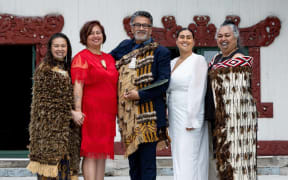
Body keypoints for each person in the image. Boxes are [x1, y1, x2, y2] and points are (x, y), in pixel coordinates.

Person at [110, 10, 171, 180]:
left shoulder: (161, 52)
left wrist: (140, 94)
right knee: (134, 165)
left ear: (151, 29)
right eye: (138, 24)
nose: (141, 28)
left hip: (148, 117)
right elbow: (107, 63)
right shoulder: (124, 47)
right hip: (127, 117)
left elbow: (164, 82)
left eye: (145, 25)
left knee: (147, 165)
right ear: (131, 27)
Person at [206, 20, 257, 180]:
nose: (223, 39)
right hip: (217, 118)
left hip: (235, 120)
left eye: (227, 35)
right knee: (220, 160)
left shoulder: (239, 57)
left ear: (236, 38)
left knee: (236, 160)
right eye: (220, 36)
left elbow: (237, 89)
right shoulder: (216, 58)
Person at [27, 32, 81, 180]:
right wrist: (72, 113)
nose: (60, 49)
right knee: (50, 174)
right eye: (56, 46)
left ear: (67, 48)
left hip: (68, 135)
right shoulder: (44, 71)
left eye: (63, 46)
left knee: (67, 173)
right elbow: (47, 105)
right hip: (48, 134)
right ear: (50, 48)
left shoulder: (69, 69)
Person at [71, 21, 118, 180]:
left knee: (101, 153)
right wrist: (77, 110)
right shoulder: (81, 57)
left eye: (99, 32)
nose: (96, 36)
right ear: (85, 37)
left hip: (108, 113)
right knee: (90, 152)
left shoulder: (109, 58)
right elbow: (78, 85)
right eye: (92, 33)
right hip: (91, 111)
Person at [167, 28, 209, 180]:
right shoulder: (171, 63)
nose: (185, 40)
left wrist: (193, 118)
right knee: (178, 153)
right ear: (177, 41)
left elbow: (198, 90)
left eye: (188, 37)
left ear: (194, 42)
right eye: (182, 37)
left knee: (189, 156)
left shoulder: (198, 60)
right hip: (174, 113)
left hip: (190, 114)